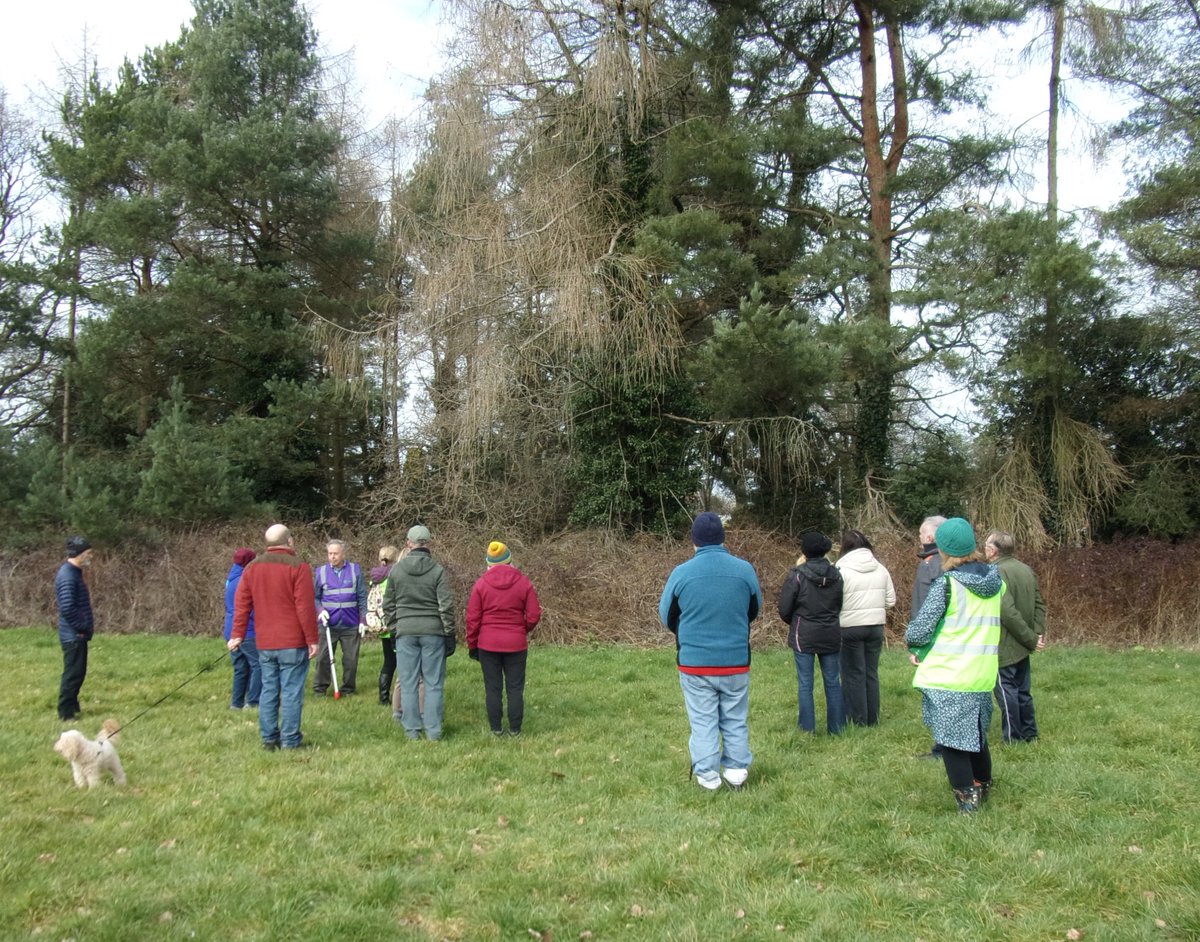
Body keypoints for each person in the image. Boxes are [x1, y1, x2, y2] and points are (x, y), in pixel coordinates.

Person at [905, 517, 1002, 814]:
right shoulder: (995, 582)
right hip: (982, 673)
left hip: (950, 673)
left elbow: (919, 630)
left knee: (951, 741)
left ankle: (967, 802)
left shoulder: (948, 584)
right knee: (975, 734)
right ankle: (983, 785)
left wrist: (914, 640)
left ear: (944, 548)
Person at [659, 512, 762, 791]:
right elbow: (753, 610)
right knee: (735, 717)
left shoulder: (681, 573)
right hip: (736, 660)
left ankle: (708, 775)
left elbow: (666, 615)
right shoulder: (744, 570)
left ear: (694, 541)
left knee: (702, 719)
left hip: (695, 663)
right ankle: (737, 770)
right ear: (722, 538)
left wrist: (687, 633)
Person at [228, 524, 320, 751]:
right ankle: (290, 740)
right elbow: (305, 607)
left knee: (269, 690)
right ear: (289, 541)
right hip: (293, 641)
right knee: (291, 691)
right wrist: (312, 639)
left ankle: (269, 738)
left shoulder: (252, 568)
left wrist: (237, 635)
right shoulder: (299, 567)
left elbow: (242, 605)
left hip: (265, 641)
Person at [383, 525, 456, 741]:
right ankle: (433, 731)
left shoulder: (397, 570)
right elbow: (445, 606)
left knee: (408, 682)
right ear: (428, 543)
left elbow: (388, 605)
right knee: (433, 683)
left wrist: (395, 628)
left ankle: (412, 731)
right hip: (433, 633)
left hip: (405, 632)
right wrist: (449, 634)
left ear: (408, 543)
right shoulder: (437, 570)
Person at [466, 540, 542, 736]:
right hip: (515, 644)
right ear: (510, 561)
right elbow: (534, 615)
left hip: (488, 644)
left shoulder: (481, 584)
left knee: (493, 688)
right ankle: (515, 730)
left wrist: (472, 644)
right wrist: (519, 629)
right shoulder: (524, 582)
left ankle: (496, 729)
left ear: (488, 563)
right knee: (515, 688)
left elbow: (473, 619)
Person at [778, 531, 845, 735]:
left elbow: (784, 608)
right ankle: (837, 728)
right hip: (830, 632)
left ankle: (807, 730)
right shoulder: (837, 575)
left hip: (803, 634)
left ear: (804, 552)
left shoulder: (797, 575)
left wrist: (797, 621)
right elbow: (838, 605)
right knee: (833, 682)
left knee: (805, 683)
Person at [984, 530, 1047, 743]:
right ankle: (1030, 733)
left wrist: (1031, 637)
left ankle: (1013, 738)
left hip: (1004, 644)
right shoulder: (1026, 569)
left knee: (1006, 690)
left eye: (986, 547)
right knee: (1022, 690)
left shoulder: (994, 572)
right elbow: (1040, 604)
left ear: (993, 551)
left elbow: (1006, 612)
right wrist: (1035, 634)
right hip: (1023, 643)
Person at [835, 529, 896, 727]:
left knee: (853, 673)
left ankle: (857, 719)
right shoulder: (881, 569)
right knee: (871, 672)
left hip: (849, 627)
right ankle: (873, 718)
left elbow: (835, 602)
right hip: (875, 626)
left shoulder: (841, 570)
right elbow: (891, 601)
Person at [312, 539, 368, 696]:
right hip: (328, 624)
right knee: (323, 658)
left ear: (343, 554)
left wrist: (363, 620)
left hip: (350, 624)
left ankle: (348, 689)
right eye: (330, 553)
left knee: (350, 660)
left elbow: (362, 597)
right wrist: (320, 610)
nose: (332, 557)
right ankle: (320, 689)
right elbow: (315, 597)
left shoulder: (355, 570)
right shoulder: (321, 572)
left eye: (335, 553)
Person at [911, 515, 946, 758]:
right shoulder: (949, 561)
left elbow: (925, 607)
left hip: (934, 641)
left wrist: (917, 645)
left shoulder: (930, 564)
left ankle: (942, 748)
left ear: (931, 537)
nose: (920, 537)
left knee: (936, 693)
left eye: (922, 533)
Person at [55, 536, 95, 722]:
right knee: (73, 674)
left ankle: (73, 704)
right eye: (88, 553)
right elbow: (68, 608)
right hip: (73, 634)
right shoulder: (68, 576)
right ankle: (65, 712)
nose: (90, 556)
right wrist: (83, 626)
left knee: (78, 673)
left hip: (76, 633)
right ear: (78, 554)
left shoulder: (74, 573)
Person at [223, 547, 260, 710]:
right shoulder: (244, 580)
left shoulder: (231, 579)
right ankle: (253, 701)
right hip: (246, 630)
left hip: (230, 629)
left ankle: (236, 703)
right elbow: (249, 608)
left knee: (241, 667)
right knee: (258, 664)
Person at [367, 545, 401, 707]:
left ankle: (383, 697)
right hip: (396, 626)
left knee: (388, 662)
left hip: (382, 627)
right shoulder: (394, 577)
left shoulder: (375, 578)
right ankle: (400, 696)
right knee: (401, 662)